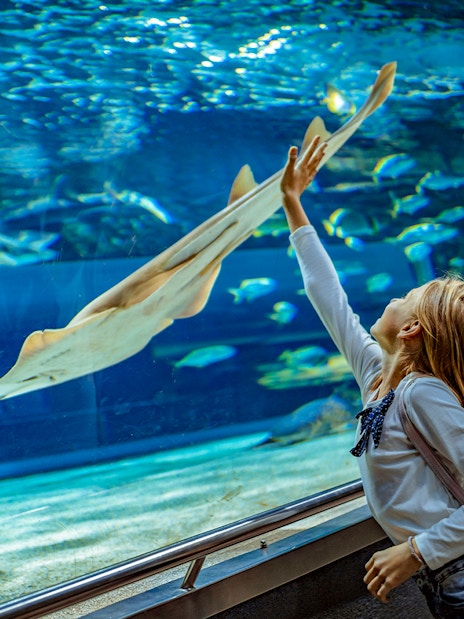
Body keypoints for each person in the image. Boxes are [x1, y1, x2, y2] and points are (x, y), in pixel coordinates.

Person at [279, 135, 464, 618]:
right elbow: (327, 296)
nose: (397, 294)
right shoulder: (376, 378)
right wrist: (292, 204)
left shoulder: (423, 392)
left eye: (408, 293)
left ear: (410, 328)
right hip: (444, 575)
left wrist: (417, 550)